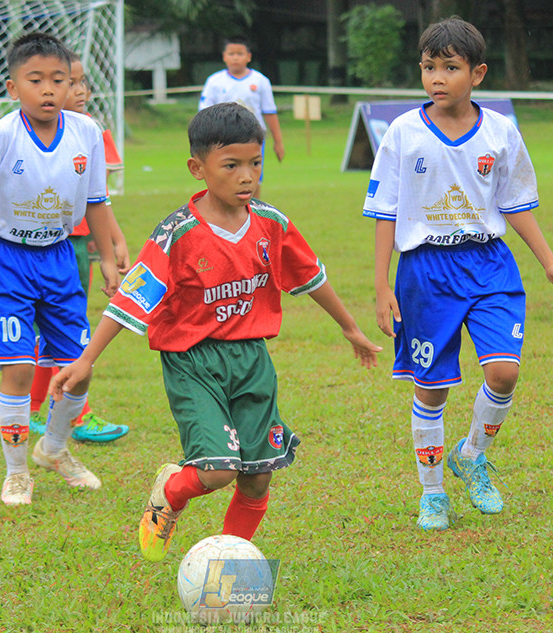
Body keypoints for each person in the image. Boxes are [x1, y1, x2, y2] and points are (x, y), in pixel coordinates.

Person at [49, 102, 382, 561]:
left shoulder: (272, 223)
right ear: (198, 168)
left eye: (255, 163)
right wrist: (86, 359)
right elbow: (130, 299)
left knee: (259, 474)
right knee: (218, 471)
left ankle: (231, 560)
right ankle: (172, 490)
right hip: (193, 362)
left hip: (252, 361)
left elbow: (310, 276)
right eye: (232, 165)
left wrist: (351, 329)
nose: (247, 176)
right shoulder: (177, 233)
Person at [365, 16, 553, 531]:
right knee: (431, 389)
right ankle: (433, 492)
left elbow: (516, 204)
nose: (437, 78)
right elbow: (386, 211)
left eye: (450, 67)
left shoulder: (501, 132)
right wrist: (380, 285)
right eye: (429, 67)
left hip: (488, 264)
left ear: (477, 73)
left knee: (504, 373)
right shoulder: (403, 133)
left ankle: (472, 454)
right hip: (424, 273)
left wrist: (549, 262)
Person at [0, 32, 119, 506]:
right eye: (35, 79)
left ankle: (54, 450)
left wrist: (107, 261)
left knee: (79, 369)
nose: (48, 89)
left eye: (58, 80)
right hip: (5, 260)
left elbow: (97, 203)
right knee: (18, 369)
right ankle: (17, 472)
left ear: (70, 84)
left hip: (60, 259)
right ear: (12, 87)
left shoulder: (87, 133)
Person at [25, 52, 131, 443]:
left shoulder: (89, 130)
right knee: (64, 327)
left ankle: (41, 408)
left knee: (61, 326)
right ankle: (72, 415)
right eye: (71, 81)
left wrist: (114, 242)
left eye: (83, 82)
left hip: (79, 243)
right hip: (45, 245)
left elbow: (98, 198)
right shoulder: (25, 136)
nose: (81, 90)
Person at [198, 37, 283, 198]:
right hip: (223, 139)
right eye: (231, 54)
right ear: (224, 56)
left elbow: (269, 112)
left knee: (253, 179)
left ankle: (253, 212)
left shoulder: (260, 81)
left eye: (240, 53)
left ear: (248, 57)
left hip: (253, 138)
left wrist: (278, 142)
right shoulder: (214, 82)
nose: (235, 57)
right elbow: (204, 112)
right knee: (224, 176)